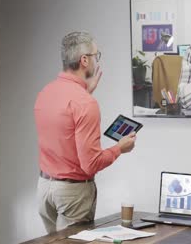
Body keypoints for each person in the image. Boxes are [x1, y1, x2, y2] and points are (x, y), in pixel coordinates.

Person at [34, 31, 136, 233]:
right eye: (96, 56)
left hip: (44, 189)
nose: (97, 61)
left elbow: (63, 124)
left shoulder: (46, 92)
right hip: (73, 194)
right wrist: (119, 148)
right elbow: (90, 165)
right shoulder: (85, 104)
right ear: (84, 60)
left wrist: (85, 92)